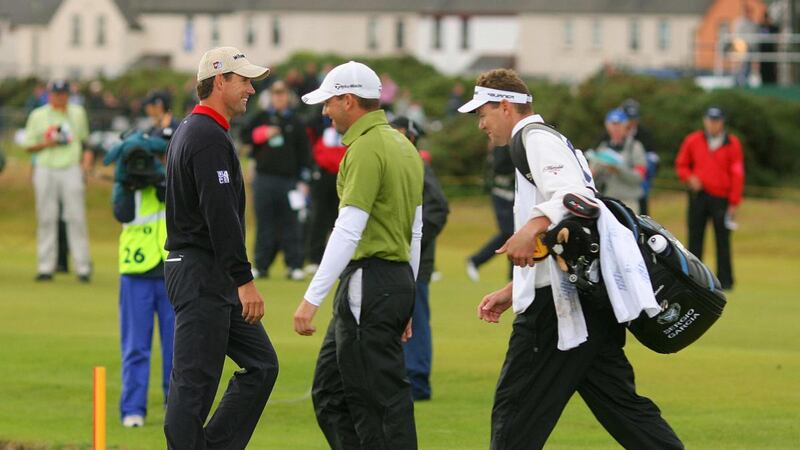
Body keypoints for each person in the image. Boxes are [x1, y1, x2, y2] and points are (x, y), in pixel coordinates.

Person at [458, 68, 683, 450]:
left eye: (483, 113)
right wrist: (516, 287)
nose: (481, 124)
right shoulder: (540, 140)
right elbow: (568, 229)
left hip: (559, 309)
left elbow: (576, 198)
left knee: (515, 416)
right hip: (587, 299)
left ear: (507, 106)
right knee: (625, 411)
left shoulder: (532, 138)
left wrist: (530, 228)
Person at [293, 61, 424, 449]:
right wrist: (409, 298)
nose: (324, 112)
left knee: (377, 405)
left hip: (369, 282)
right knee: (330, 394)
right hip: (394, 280)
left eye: (329, 102)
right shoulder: (404, 146)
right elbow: (416, 233)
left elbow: (348, 229)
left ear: (349, 100)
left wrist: (311, 298)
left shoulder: (365, 148)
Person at [163, 46, 279, 448]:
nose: (250, 88)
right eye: (243, 80)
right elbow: (220, 216)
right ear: (219, 81)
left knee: (262, 365)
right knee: (194, 383)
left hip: (209, 274)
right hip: (201, 273)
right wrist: (243, 280)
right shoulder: (205, 136)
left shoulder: (200, 131)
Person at [105, 131, 175, 428]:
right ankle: (133, 409)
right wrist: (125, 181)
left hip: (172, 272)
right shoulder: (127, 180)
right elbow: (121, 212)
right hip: (136, 272)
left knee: (177, 349)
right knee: (136, 347)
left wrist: (162, 180)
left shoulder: (173, 178)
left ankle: (177, 409)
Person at [390, 116, 450, 401]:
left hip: (417, 260)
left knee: (415, 318)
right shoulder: (398, 164)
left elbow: (438, 209)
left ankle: (417, 382)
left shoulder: (419, 166)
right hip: (400, 258)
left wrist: (411, 239)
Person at [241, 79, 312, 281]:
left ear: (287, 97)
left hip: (289, 181)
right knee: (265, 224)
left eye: (282, 94)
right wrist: (263, 133)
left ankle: (294, 265)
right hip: (264, 179)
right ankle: (262, 265)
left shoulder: (296, 122)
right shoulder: (262, 117)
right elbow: (245, 136)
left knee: (291, 224)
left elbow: (304, 152)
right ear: (271, 97)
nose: (279, 98)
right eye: (276, 94)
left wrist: (304, 180)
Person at [24, 79, 93, 282]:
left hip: (71, 167)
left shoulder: (77, 113)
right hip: (45, 166)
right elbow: (28, 145)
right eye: (57, 94)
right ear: (50, 94)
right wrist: (48, 143)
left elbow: (84, 141)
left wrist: (86, 165)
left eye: (64, 94)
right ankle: (46, 265)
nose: (61, 97)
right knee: (46, 217)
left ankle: (83, 266)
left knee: (76, 217)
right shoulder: (38, 115)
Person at [675, 106, 744, 291]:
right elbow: (681, 164)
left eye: (717, 120)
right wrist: (689, 178)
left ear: (722, 122)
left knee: (723, 240)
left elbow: (737, 174)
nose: (713, 124)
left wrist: (734, 202)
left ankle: (725, 281)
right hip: (698, 196)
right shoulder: (693, 140)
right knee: (695, 238)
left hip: (721, 197)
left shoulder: (732, 143)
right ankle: (694, 278)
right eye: (710, 120)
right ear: (705, 121)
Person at [466, 142, 515, 282]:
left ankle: (514, 275)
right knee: (509, 232)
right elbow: (501, 166)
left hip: (510, 194)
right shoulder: (503, 144)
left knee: (514, 232)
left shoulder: (509, 142)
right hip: (501, 193)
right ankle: (476, 260)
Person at [305, 120, 347, 274]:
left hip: (343, 177)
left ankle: (340, 260)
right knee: (318, 219)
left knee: (341, 220)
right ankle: (315, 259)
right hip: (323, 178)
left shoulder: (349, 132)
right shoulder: (322, 129)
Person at [589, 108, 647, 213]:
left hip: (629, 202)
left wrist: (619, 170)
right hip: (607, 202)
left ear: (626, 126)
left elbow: (639, 177)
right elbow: (590, 175)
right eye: (612, 125)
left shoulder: (635, 147)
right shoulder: (603, 148)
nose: (616, 129)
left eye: (619, 125)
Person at [620, 99, 659, 215]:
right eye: (628, 118)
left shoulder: (644, 134)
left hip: (639, 186)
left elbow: (654, 159)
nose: (631, 122)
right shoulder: (612, 135)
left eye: (634, 118)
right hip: (617, 187)